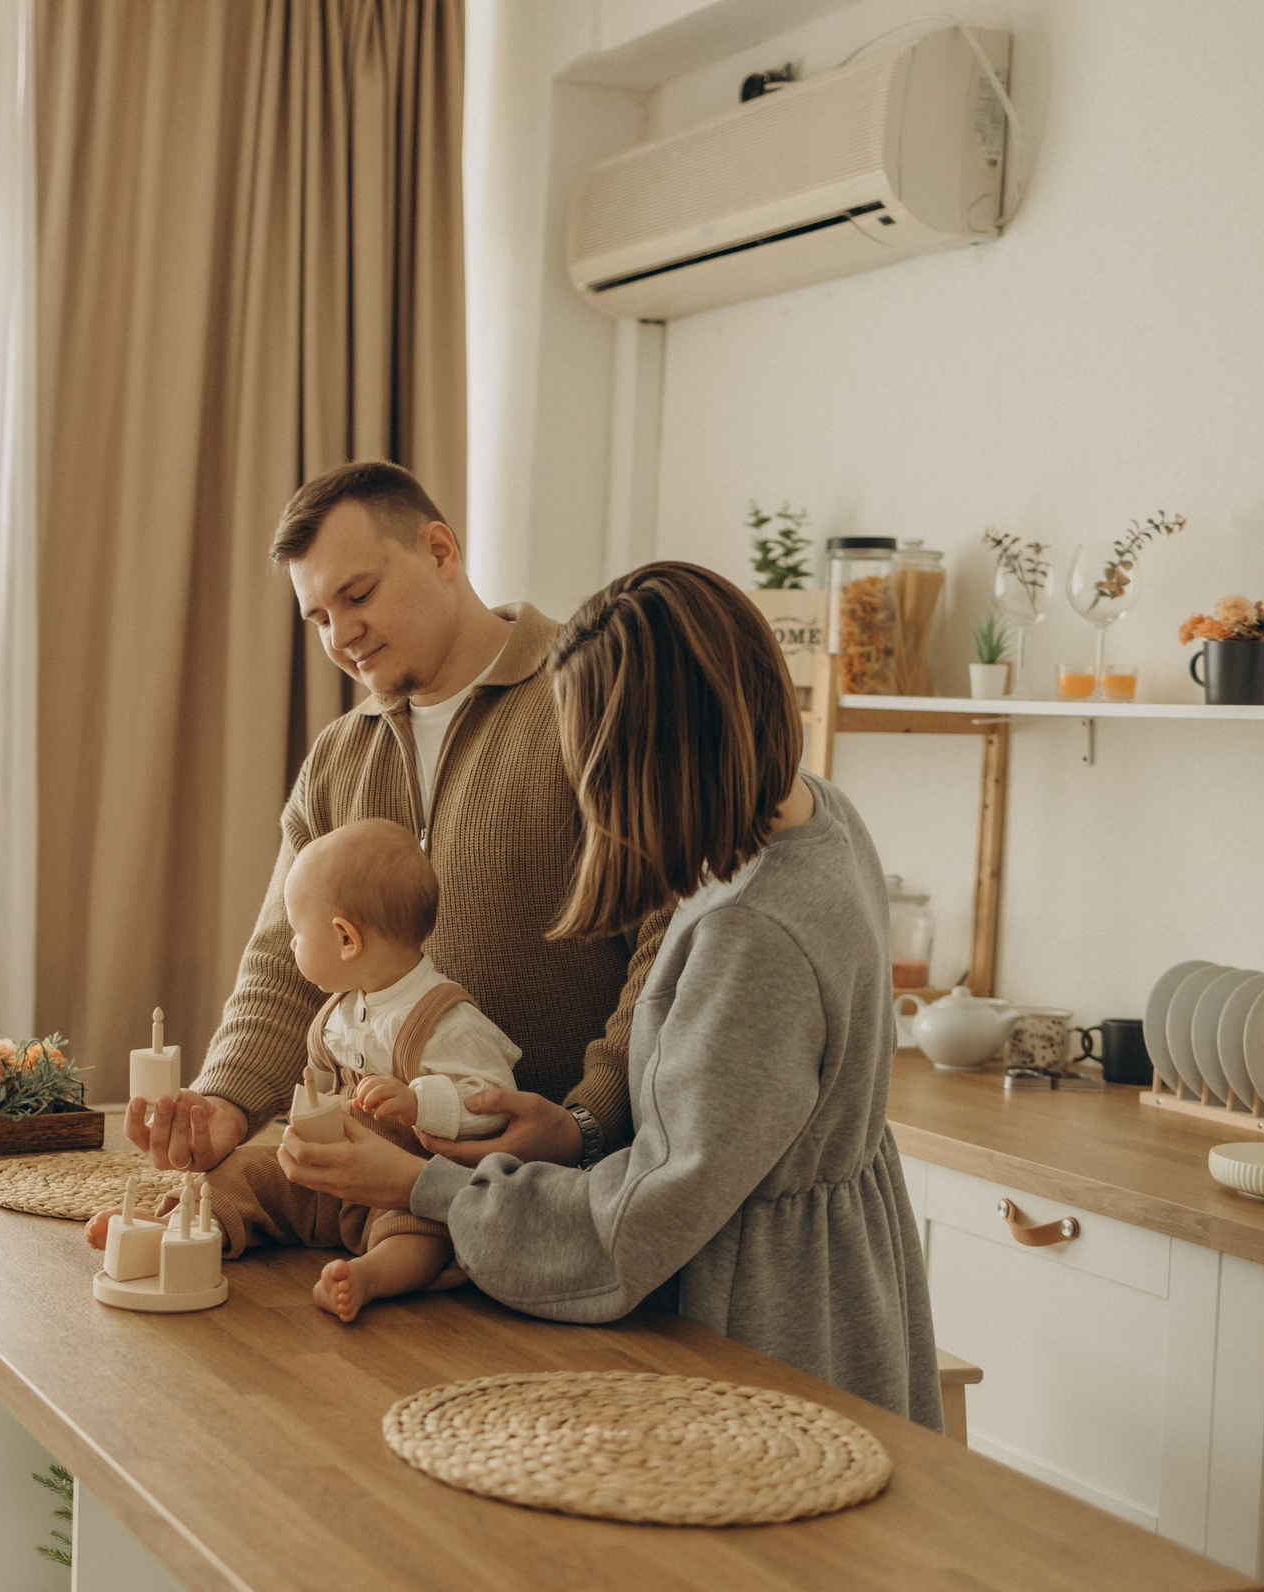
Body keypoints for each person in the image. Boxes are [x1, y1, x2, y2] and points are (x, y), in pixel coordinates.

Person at [271, 560, 944, 1436]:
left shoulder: (753, 937)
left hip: (758, 1337)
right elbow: (715, 1131)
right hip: (829, 1286)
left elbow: (637, 1228)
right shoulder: (814, 814)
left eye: (589, 764)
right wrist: (574, 1131)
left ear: (651, 756)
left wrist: (424, 1185)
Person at [131, 462, 662, 1185]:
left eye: (358, 595)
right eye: (320, 618)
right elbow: (285, 962)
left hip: (564, 1198)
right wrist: (225, 1097)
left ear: (441, 552)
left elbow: (669, 950)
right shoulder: (338, 756)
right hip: (377, 1199)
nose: (342, 635)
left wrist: (590, 1119)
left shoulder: (593, 701)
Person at [88, 819, 521, 1321]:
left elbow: (493, 1101)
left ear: (345, 939)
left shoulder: (445, 1019)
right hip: (325, 1178)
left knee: (423, 1233)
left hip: (401, 1185)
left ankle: (370, 1277)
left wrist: (422, 1102)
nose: (290, 945)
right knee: (245, 1171)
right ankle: (183, 1226)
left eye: (296, 932)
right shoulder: (339, 1012)